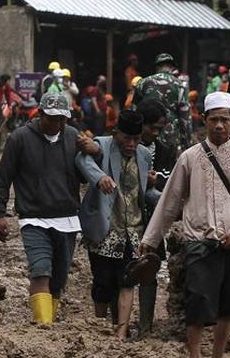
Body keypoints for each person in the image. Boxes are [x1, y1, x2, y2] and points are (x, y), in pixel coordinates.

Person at [140, 92, 230, 358]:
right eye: (214, 119)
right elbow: (169, 201)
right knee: (196, 303)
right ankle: (195, 354)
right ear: (203, 120)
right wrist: (150, 240)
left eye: (224, 120)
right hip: (200, 242)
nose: (219, 125)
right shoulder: (189, 157)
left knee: (228, 306)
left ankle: (217, 354)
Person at [0, 91, 98, 324]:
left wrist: (94, 151)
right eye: (52, 118)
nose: (57, 124)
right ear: (39, 114)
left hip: (68, 219)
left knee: (59, 278)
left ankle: (49, 317)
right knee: (40, 271)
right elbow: (3, 178)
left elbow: (86, 174)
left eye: (62, 119)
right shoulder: (20, 139)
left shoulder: (72, 138)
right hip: (34, 219)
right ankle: (44, 326)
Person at [76, 110, 153, 339]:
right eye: (126, 138)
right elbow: (82, 159)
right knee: (103, 283)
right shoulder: (103, 145)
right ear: (115, 133)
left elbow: (145, 190)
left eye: (136, 139)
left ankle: (120, 333)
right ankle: (100, 328)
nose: (131, 144)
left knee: (128, 281)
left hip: (133, 230)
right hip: (106, 228)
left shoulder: (144, 155)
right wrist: (99, 177)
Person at [136, 98, 177, 335]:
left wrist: (156, 180)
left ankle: (145, 326)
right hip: (125, 218)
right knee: (119, 271)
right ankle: (116, 323)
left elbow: (171, 181)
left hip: (151, 219)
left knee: (149, 269)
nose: (154, 133)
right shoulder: (126, 145)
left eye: (158, 129)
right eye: (150, 127)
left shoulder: (164, 151)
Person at [135, 53, 191, 152]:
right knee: (167, 164)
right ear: (172, 67)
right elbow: (185, 117)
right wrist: (187, 143)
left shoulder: (143, 82)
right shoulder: (180, 85)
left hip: (145, 132)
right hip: (169, 133)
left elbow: (135, 108)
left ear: (157, 66)